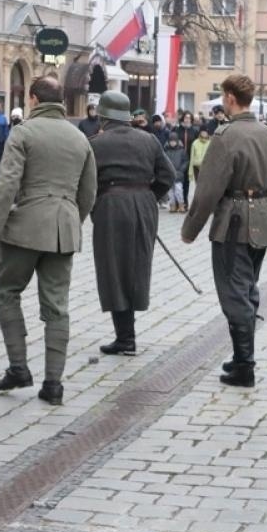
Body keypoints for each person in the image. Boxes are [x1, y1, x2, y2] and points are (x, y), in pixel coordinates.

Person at [0, 77, 96, 404]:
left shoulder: (23, 132)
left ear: (33, 99)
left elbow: (5, 188)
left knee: (5, 291)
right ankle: (54, 385)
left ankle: (19, 367)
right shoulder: (79, 138)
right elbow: (89, 193)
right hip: (63, 229)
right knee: (57, 307)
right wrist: (70, 220)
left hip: (25, 228)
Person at [181, 73, 267, 389]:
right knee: (247, 287)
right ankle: (239, 356)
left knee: (235, 292)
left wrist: (190, 228)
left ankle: (244, 365)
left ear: (231, 98)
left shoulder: (225, 136)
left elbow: (208, 189)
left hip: (233, 224)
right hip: (263, 221)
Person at [88, 91, 175, 357]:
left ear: (103, 116)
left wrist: (94, 205)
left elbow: (86, 184)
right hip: (144, 205)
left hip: (110, 205)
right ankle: (127, 336)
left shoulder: (95, 144)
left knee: (113, 268)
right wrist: (148, 197)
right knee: (137, 266)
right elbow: (168, 176)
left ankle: (125, 338)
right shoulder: (149, 140)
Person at [163, 132, 188, 212]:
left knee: (178, 190)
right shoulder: (166, 151)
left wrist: (181, 170)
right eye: (171, 141)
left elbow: (185, 161)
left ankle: (181, 204)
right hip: (169, 174)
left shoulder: (181, 151)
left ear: (177, 141)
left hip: (178, 174)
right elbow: (164, 162)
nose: (172, 143)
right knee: (170, 192)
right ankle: (172, 205)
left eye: (174, 141)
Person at [188, 127, 212, 204]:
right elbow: (192, 158)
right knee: (193, 190)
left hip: (207, 169)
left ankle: (205, 207)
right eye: (202, 132)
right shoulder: (195, 143)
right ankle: (191, 206)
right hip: (195, 169)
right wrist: (190, 171)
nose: (204, 133)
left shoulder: (211, 143)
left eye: (206, 132)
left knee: (206, 190)